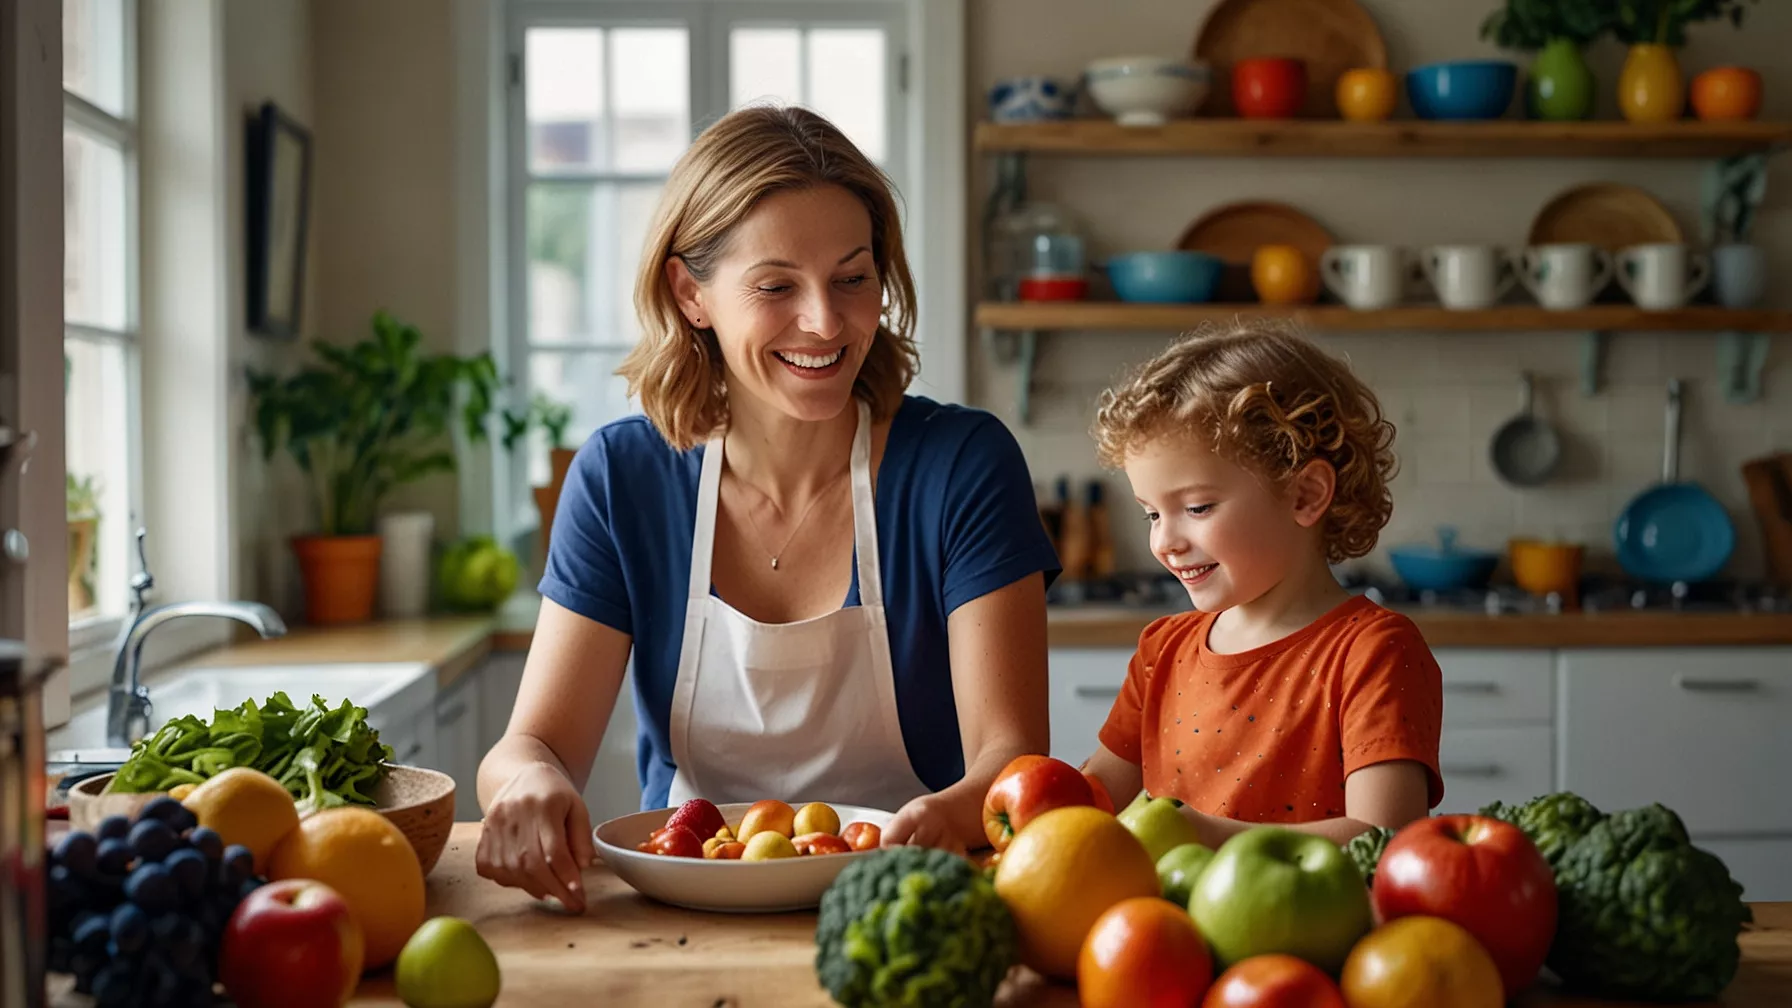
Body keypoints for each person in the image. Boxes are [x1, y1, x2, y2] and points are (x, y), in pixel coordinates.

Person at [475, 105, 1060, 911]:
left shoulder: (961, 466)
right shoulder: (622, 477)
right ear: (691, 294)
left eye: (853, 279)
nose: (824, 322)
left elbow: (1014, 759)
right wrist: (529, 784)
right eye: (776, 285)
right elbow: (529, 745)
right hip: (682, 910)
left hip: (912, 901)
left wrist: (949, 814)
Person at [1078, 323, 1442, 848]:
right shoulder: (1163, 652)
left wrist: (1204, 836)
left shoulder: (1372, 653)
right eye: (1152, 514)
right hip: (1168, 929)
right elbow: (1089, 803)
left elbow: (1386, 839)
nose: (1165, 542)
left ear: (1305, 495)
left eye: (1197, 507)